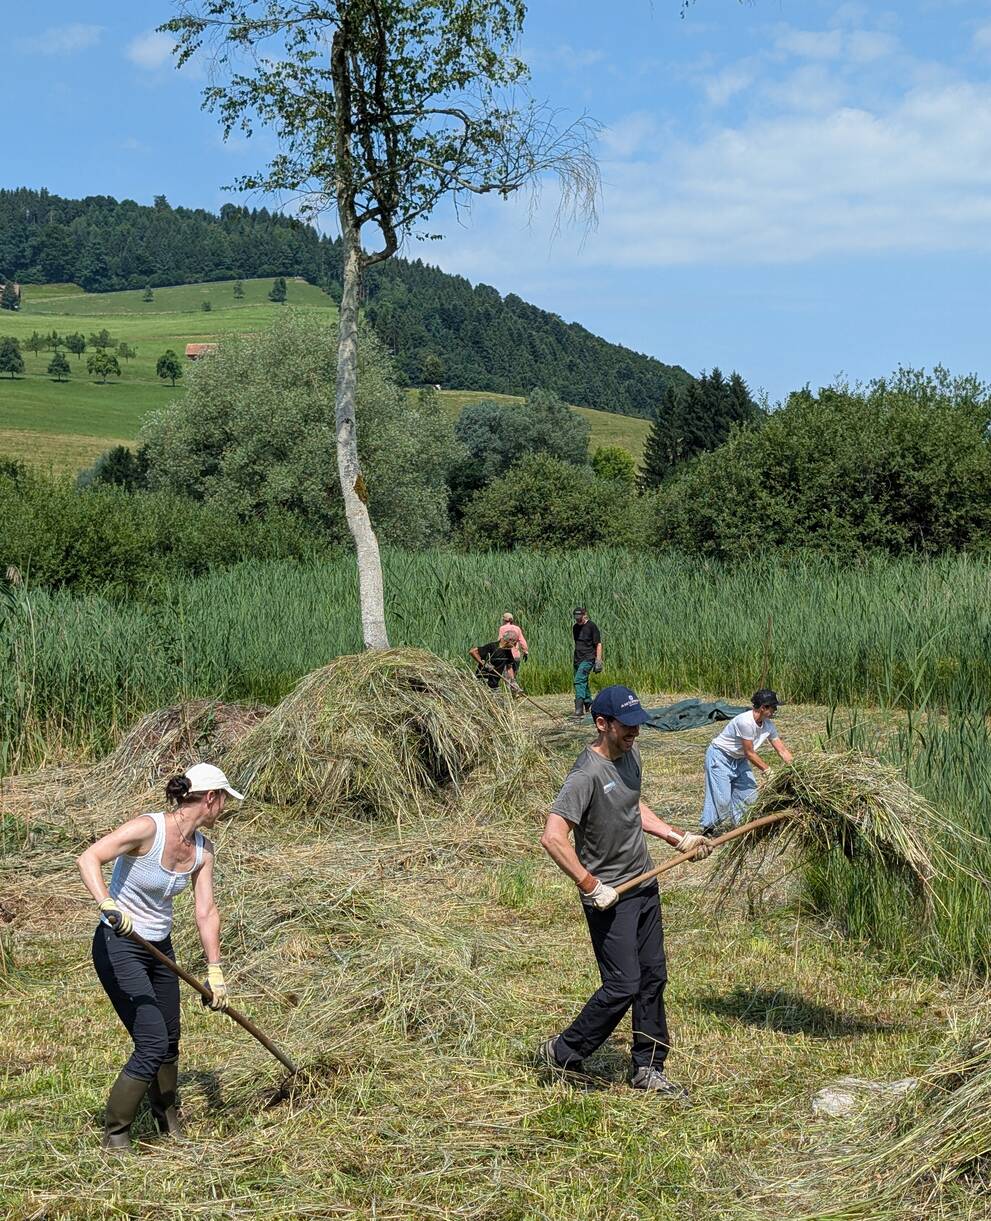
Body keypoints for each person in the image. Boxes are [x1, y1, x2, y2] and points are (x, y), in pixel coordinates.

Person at [538, 685, 712, 1095]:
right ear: (602, 724)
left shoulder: (631, 755)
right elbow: (553, 837)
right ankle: (562, 1052)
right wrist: (590, 885)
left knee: (653, 977)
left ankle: (648, 1068)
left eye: (638, 724)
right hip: (610, 897)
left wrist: (675, 837)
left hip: (643, 883)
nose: (635, 731)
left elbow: (632, 805)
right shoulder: (585, 775)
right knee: (623, 984)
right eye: (627, 725)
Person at [76, 763, 244, 1151]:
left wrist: (215, 970)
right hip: (120, 944)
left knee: (169, 1041)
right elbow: (89, 859)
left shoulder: (203, 850)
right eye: (224, 800)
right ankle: (116, 1136)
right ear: (211, 798)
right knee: (152, 1041)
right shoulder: (148, 829)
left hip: (160, 949)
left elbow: (206, 911)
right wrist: (107, 904)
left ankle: (168, 1123)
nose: (224, 809)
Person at [700, 689, 793, 834]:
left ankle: (741, 828)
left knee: (750, 796)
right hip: (720, 757)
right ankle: (708, 829)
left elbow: (782, 750)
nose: (775, 710)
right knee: (722, 799)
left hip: (739, 760)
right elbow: (749, 753)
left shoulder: (768, 725)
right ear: (763, 708)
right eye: (773, 707)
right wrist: (767, 770)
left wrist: (795, 768)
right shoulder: (745, 722)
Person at [571, 606, 602, 719]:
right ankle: (589, 703)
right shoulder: (575, 627)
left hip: (588, 658)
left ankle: (579, 709)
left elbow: (598, 644)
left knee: (579, 680)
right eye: (576, 617)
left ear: (584, 615)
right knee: (583, 681)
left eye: (580, 617)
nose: (578, 619)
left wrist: (598, 660)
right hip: (577, 659)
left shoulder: (591, 626)